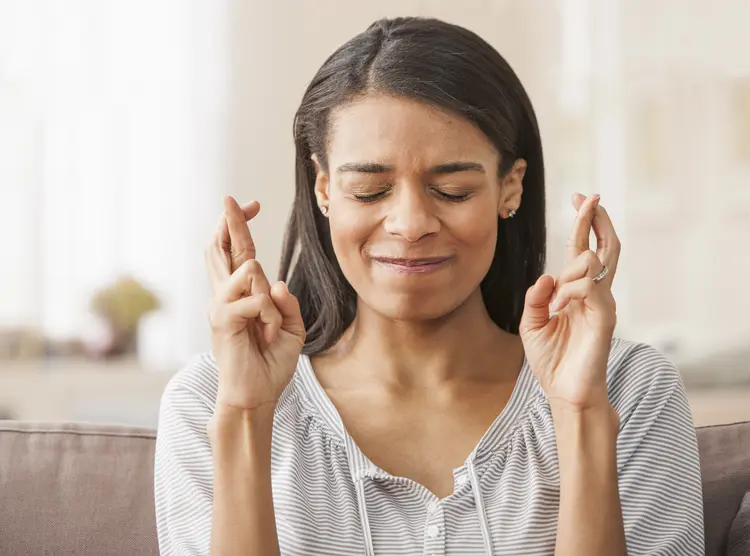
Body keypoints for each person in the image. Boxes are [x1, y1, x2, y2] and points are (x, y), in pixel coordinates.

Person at [154, 16, 704, 556]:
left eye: (454, 190)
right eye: (370, 191)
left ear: (509, 188)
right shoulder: (212, 397)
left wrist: (580, 414)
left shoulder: (629, 389)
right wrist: (248, 415)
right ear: (325, 190)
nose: (410, 223)